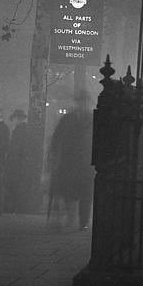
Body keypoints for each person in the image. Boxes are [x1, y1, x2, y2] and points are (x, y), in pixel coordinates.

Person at [47, 92, 94, 230]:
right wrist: (54, 153)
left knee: (86, 193)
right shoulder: (67, 119)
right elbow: (57, 137)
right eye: (80, 102)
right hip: (69, 161)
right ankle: (71, 216)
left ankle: (83, 222)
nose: (82, 104)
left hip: (87, 162)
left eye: (84, 102)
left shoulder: (93, 118)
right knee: (69, 191)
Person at [4, 109, 36, 214]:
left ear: (18, 118)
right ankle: (17, 208)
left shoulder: (20, 130)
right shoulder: (23, 129)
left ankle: (14, 208)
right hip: (20, 162)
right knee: (18, 185)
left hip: (17, 162)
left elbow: (17, 147)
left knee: (15, 185)